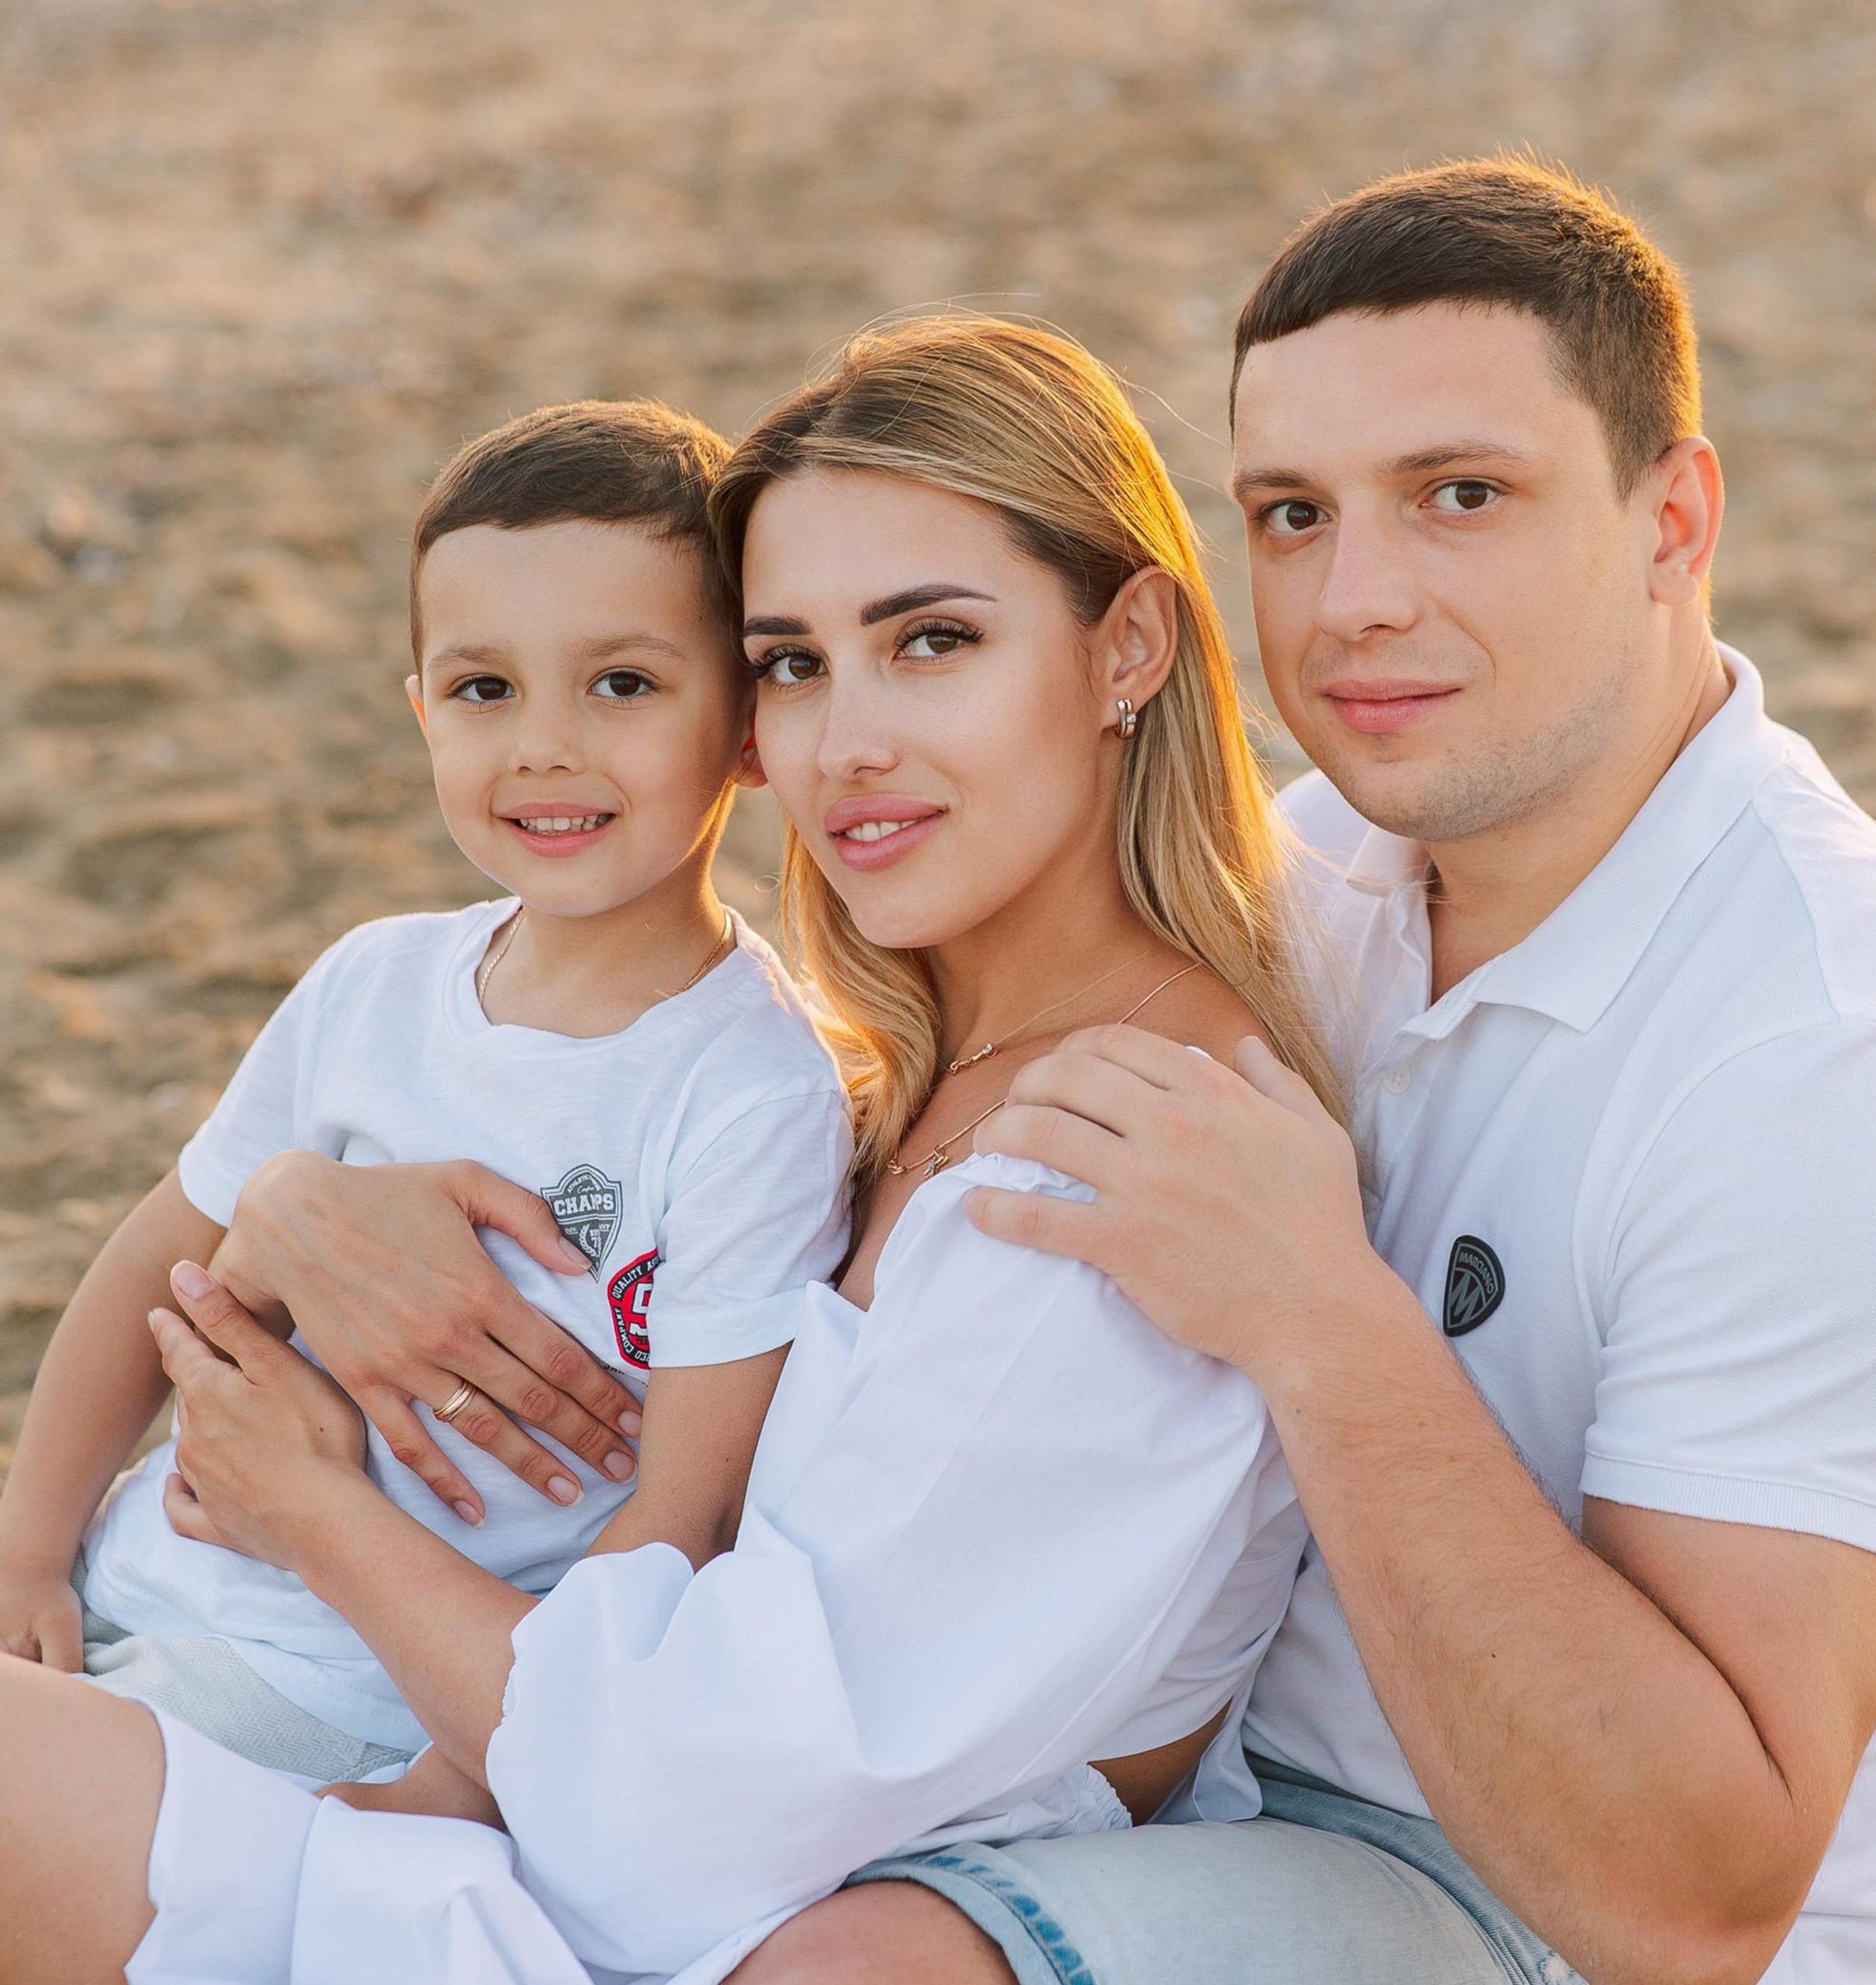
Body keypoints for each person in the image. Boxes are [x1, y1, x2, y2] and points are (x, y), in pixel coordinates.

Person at [749, 161, 1876, 1985]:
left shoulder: (1828, 1062)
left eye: (1457, 497)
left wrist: (1321, 1321)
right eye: (1291, 513)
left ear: (1673, 516)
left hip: (1522, 1900)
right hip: (1178, 1785)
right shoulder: (1314, 877)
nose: (1350, 604)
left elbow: (1690, 1897)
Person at [0, 316, 1335, 1983]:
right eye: (793, 660)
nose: (840, 743)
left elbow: (700, 1779)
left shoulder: (1107, 1172)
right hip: (369, 1706)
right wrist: (294, 1205)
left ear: (1126, 645)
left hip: (502, 1862)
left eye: (930, 641)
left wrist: (311, 1504)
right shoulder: (908, 1064)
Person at [0, 399, 854, 1787]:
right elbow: (159, 1258)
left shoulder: (754, 1093)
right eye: (483, 690)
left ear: (749, 723)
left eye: (624, 685)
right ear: (419, 712)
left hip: (348, 1689)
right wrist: (30, 1547)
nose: (544, 747)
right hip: (134, 1579)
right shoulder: (370, 983)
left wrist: (453, 1790)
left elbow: (686, 1521)